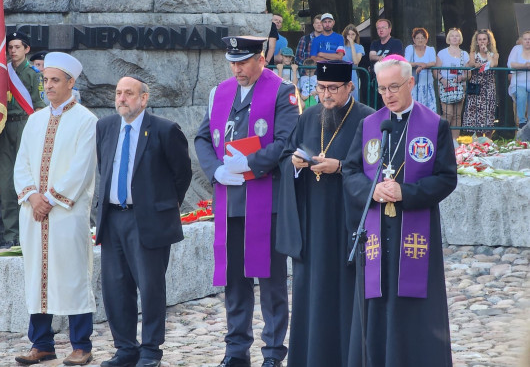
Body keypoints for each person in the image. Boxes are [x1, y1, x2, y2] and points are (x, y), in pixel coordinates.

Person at [343, 55, 457, 367]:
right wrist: (373, 190)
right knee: (378, 303)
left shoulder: (435, 126)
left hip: (415, 232)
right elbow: (351, 173)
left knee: (411, 303)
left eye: (394, 87)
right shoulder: (369, 125)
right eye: (382, 89)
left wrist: (405, 193)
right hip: (376, 232)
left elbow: (447, 179)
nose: (388, 95)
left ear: (410, 82)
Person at [194, 36, 300, 367]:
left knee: (271, 283)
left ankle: (272, 352)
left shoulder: (283, 92)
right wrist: (216, 170)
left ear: (261, 60)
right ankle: (236, 350)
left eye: (243, 62)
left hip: (266, 201)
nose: (237, 68)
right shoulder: (219, 93)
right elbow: (202, 137)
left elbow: (287, 140)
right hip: (230, 200)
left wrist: (251, 163)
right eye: (233, 62)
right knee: (235, 282)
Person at [276, 61, 374, 367]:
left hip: (348, 221)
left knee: (346, 293)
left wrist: (340, 167)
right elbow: (288, 154)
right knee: (311, 292)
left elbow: (377, 171)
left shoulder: (367, 118)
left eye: (333, 89)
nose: (326, 95)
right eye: (320, 88)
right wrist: (293, 163)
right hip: (313, 222)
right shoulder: (308, 117)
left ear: (349, 88)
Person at [95, 76, 192, 367]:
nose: (122, 98)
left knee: (150, 288)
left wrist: (163, 204)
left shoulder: (164, 129)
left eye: (129, 93)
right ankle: (125, 348)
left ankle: (150, 350)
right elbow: (105, 166)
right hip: (113, 219)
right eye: (118, 93)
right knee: (115, 288)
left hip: (147, 222)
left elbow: (182, 173)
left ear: (143, 99)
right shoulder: (106, 127)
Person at [13, 52, 97, 366]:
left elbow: (82, 168)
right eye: (45, 80)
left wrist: (50, 198)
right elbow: (21, 165)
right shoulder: (34, 121)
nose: (48, 86)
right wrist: (33, 197)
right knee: (36, 275)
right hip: (33, 213)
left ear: (70, 83)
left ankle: (81, 344)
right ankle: (42, 343)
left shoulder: (87, 120)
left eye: (54, 80)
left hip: (66, 213)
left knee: (73, 274)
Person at [0, 32, 45, 248]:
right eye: (10, 47)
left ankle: (28, 232)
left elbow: (38, 106)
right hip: (6, 127)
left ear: (26, 49)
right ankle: (11, 235)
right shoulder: (2, 72)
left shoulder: (34, 74)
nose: (13, 51)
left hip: (26, 125)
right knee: (7, 183)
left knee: (28, 179)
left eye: (17, 47)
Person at [434, 28, 469, 140]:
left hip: (459, 86)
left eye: (457, 36)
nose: (455, 38)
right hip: (445, 85)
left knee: (457, 115)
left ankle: (454, 141)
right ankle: (442, 138)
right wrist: (442, 80)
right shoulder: (442, 53)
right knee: (448, 113)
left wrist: (462, 77)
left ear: (460, 39)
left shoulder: (465, 54)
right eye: (452, 36)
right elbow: (435, 71)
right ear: (448, 38)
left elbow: (468, 73)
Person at [463, 29, 498, 134]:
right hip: (476, 86)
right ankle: (478, 140)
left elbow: (492, 64)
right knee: (476, 113)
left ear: (488, 41)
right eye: (480, 40)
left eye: (484, 39)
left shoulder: (494, 54)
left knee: (488, 112)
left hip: (489, 87)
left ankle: (488, 140)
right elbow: (472, 63)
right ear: (476, 41)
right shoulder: (473, 53)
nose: (482, 42)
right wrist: (474, 64)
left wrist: (486, 51)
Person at [369, 19, 403, 108]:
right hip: (376, 80)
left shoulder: (396, 43)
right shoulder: (375, 43)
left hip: (390, 81)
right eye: (378, 28)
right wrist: (380, 58)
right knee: (375, 106)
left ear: (389, 29)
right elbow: (372, 56)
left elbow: (396, 59)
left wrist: (381, 60)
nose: (381, 30)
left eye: (383, 27)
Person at [403, 28, 437, 112]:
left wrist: (423, 66)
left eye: (422, 38)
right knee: (414, 109)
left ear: (426, 39)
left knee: (429, 110)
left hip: (427, 84)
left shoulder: (430, 49)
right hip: (414, 85)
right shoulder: (410, 48)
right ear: (414, 39)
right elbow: (406, 62)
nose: (420, 40)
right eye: (417, 38)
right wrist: (418, 63)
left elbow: (433, 62)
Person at [509, 31, 530, 128]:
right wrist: (524, 66)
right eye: (525, 39)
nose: (527, 41)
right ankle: (522, 121)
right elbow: (510, 64)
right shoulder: (516, 49)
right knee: (521, 95)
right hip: (519, 83)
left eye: (529, 39)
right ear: (522, 40)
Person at [342, 24, 365, 101]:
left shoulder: (359, 47)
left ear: (356, 35)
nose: (350, 36)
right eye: (348, 34)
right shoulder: (341, 46)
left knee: (353, 98)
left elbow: (356, 61)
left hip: (353, 74)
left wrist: (352, 44)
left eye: (353, 34)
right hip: (341, 73)